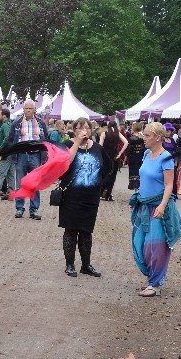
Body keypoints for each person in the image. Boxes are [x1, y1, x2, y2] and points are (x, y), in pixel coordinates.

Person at [129, 122, 181, 297]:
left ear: (157, 137)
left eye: (146, 135)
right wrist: (137, 197)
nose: (143, 138)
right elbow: (145, 179)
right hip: (143, 206)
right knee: (139, 242)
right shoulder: (146, 154)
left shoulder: (166, 157)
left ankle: (155, 284)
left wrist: (162, 206)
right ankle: (151, 276)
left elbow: (169, 185)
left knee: (156, 246)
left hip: (159, 208)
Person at [58, 118, 111, 278]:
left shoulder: (97, 148)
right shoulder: (67, 146)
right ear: (74, 130)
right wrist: (77, 143)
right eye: (81, 128)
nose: (84, 131)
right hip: (71, 197)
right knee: (71, 230)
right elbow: (64, 164)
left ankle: (86, 265)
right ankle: (69, 265)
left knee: (86, 231)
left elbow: (108, 167)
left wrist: (101, 185)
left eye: (87, 128)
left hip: (91, 198)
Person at [8, 100, 48, 219]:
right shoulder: (16, 123)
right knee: (20, 182)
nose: (29, 110)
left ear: (34, 109)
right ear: (23, 109)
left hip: (35, 155)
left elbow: (45, 139)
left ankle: (34, 209)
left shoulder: (41, 123)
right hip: (21, 155)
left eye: (31, 108)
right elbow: (11, 139)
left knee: (34, 183)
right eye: (27, 108)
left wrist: (44, 155)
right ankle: (19, 208)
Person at [99, 121, 128, 201]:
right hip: (115, 157)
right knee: (112, 176)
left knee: (105, 174)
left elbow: (100, 146)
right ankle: (108, 194)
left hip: (106, 157)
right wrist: (120, 153)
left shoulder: (104, 134)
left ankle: (101, 191)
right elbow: (126, 142)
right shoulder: (117, 134)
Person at [126, 122, 146, 190]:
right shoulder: (143, 138)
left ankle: (136, 189)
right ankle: (140, 189)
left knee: (134, 173)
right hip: (142, 158)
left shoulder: (132, 139)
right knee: (140, 173)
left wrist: (126, 157)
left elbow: (129, 150)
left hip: (133, 158)